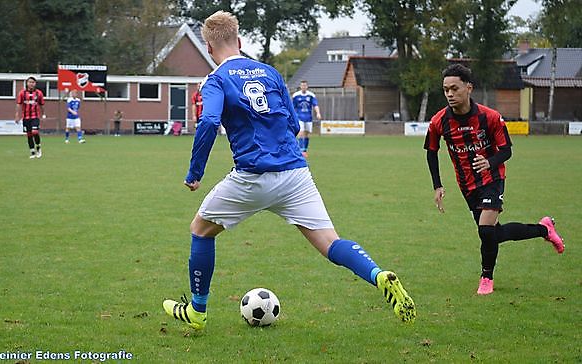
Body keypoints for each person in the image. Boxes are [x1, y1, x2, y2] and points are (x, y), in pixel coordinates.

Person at [162, 11, 416, 330]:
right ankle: (378, 276)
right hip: (296, 175)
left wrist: (195, 172)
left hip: (252, 177)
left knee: (200, 230)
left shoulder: (216, 80)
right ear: (239, 41)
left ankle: (197, 311)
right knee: (330, 242)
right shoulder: (269, 72)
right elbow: (294, 124)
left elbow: (210, 121)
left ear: (209, 50)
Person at [423, 64, 565, 295]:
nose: (449, 94)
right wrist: (437, 185)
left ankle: (486, 278)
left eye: (454, 88)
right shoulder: (439, 121)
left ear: (468, 88)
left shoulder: (489, 118)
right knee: (492, 234)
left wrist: (489, 162)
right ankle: (544, 229)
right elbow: (431, 151)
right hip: (467, 184)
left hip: (493, 178)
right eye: (446, 89)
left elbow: (506, 150)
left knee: (486, 229)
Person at [15, 76, 45, 158]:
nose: (31, 84)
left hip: (35, 116)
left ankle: (38, 147)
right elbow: (18, 104)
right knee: (29, 134)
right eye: (30, 82)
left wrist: (43, 114)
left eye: (33, 82)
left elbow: (42, 105)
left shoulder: (39, 93)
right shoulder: (22, 93)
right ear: (27, 83)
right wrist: (17, 115)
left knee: (35, 132)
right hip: (26, 117)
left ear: (35, 84)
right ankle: (32, 152)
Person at [292, 80, 321, 157]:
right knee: (301, 133)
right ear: (300, 86)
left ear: (307, 86)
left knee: (306, 134)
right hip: (299, 117)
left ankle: (305, 149)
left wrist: (318, 113)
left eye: (305, 85)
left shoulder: (311, 95)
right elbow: (292, 106)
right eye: (302, 85)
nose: (303, 87)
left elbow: (315, 105)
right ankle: (301, 150)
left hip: (308, 117)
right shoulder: (296, 95)